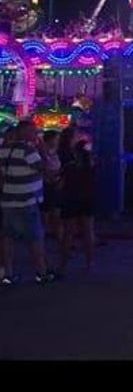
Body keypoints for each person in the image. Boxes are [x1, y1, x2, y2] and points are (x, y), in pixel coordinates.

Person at [0, 121, 54, 285]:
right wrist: (44, 152)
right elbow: (47, 170)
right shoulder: (28, 151)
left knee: (7, 238)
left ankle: (7, 274)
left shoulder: (3, 150)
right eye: (34, 132)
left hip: (8, 200)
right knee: (35, 239)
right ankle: (41, 273)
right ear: (26, 132)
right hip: (27, 200)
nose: (36, 135)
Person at [59, 138, 96, 273]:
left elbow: (60, 183)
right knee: (88, 231)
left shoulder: (69, 167)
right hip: (87, 199)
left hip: (71, 198)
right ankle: (89, 263)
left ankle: (63, 264)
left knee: (68, 232)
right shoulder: (90, 167)